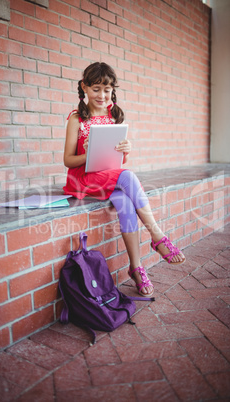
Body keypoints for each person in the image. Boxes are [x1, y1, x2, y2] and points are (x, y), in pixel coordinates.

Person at [63, 62, 185, 297]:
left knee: (126, 203)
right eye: (96, 88)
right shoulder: (77, 118)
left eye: (107, 90)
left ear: (112, 91)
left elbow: (118, 161)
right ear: (84, 87)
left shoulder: (113, 116)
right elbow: (68, 160)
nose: (102, 95)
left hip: (107, 177)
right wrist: (86, 154)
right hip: (84, 179)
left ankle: (136, 268)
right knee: (128, 177)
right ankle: (157, 235)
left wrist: (125, 149)